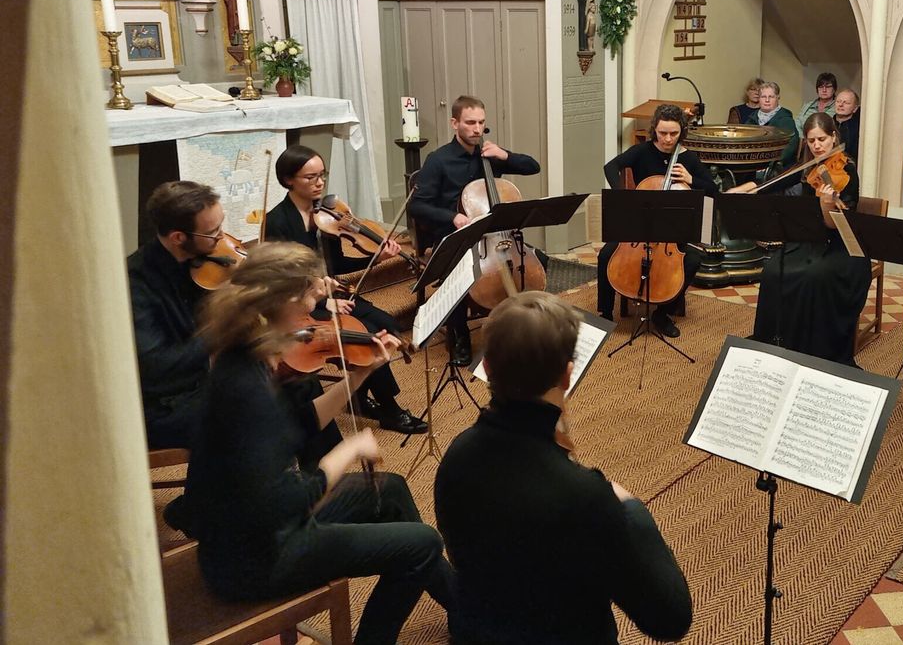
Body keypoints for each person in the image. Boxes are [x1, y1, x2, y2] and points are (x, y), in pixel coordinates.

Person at [182, 243, 453, 645]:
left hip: (256, 530)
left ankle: (467, 609)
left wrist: (361, 376)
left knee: (390, 489)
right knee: (422, 545)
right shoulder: (246, 388)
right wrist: (348, 451)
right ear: (286, 301)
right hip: (257, 558)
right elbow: (293, 499)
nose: (318, 307)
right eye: (312, 297)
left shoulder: (247, 357)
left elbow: (300, 422)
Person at [434, 291, 692, 644]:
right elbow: (670, 618)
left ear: (488, 367)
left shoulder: (456, 455)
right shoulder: (585, 497)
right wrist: (630, 507)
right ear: (567, 375)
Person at [265, 145, 427, 435]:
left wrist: (375, 257)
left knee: (387, 323)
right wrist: (320, 303)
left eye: (322, 176)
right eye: (310, 177)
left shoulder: (327, 215)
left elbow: (336, 263)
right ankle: (390, 409)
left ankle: (359, 398)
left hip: (331, 291)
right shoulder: (277, 221)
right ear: (289, 180)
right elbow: (280, 279)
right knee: (367, 337)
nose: (319, 183)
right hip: (299, 302)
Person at [409, 95, 541, 364]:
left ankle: (518, 329)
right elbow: (418, 206)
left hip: (495, 237)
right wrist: (453, 217)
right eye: (470, 123)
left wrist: (505, 155)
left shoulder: (490, 155)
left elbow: (533, 167)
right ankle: (460, 338)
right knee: (457, 275)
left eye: (481, 122)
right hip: (454, 234)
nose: (477, 129)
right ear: (454, 123)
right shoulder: (439, 160)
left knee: (535, 264)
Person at [734, 113, 872, 365]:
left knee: (813, 276)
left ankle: (813, 347)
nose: (817, 145)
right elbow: (776, 182)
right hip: (809, 239)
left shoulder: (846, 169)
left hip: (842, 245)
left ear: (833, 137)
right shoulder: (808, 165)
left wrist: (826, 202)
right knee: (774, 269)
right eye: (811, 140)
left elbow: (836, 225)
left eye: (822, 139)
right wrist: (744, 190)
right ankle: (780, 339)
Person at [596, 102, 718, 337]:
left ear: (682, 131)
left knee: (692, 260)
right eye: (663, 133)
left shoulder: (688, 159)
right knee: (606, 254)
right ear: (655, 130)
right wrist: (624, 196)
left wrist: (692, 179)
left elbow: (712, 190)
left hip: (672, 232)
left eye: (674, 133)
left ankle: (662, 313)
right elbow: (611, 166)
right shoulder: (642, 152)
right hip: (640, 227)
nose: (668, 139)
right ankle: (605, 314)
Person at [127, 181, 222, 448]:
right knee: (254, 408)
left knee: (300, 385)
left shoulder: (200, 265)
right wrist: (220, 332)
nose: (222, 239)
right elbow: (157, 364)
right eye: (213, 232)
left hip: (199, 385)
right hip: (162, 405)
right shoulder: (136, 283)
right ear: (178, 237)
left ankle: (321, 480)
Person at [753, 81, 799, 168]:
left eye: (771, 97)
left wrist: (772, 163)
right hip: (753, 165)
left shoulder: (785, 120)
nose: (767, 100)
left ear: (778, 98)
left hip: (777, 168)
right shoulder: (752, 119)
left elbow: (790, 146)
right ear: (759, 99)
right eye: (763, 97)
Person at [834, 87, 861, 161]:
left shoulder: (860, 128)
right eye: (838, 101)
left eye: (846, 103)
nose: (841, 105)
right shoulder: (826, 124)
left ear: (855, 108)